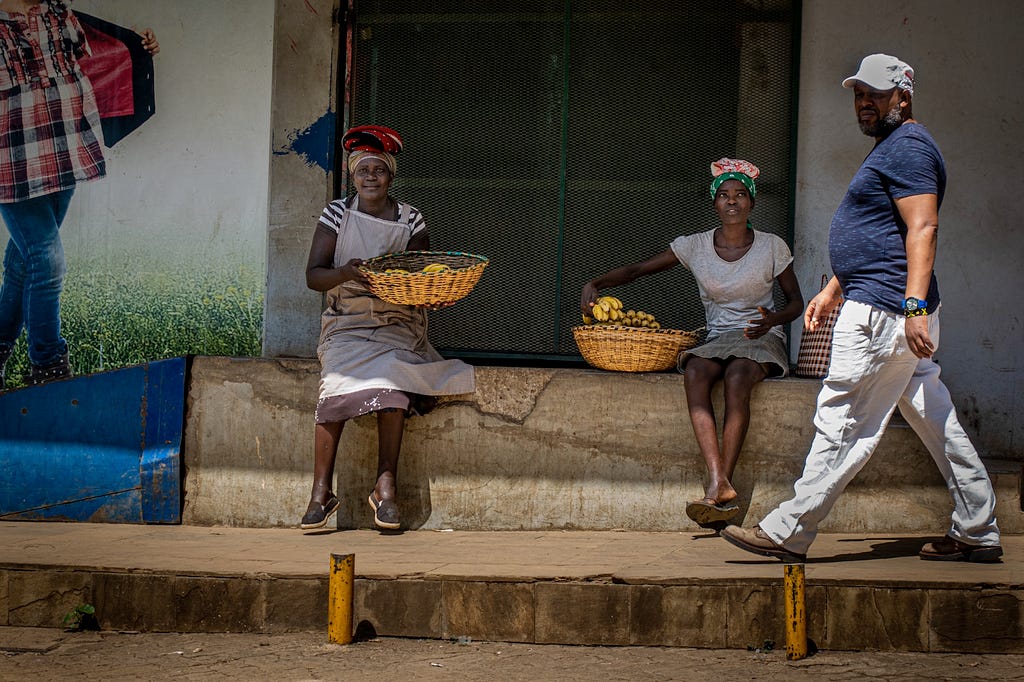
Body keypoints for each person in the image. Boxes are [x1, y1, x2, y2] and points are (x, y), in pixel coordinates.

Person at [721, 54, 1003, 563]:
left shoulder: (910, 146)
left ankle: (790, 529)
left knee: (844, 417)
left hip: (885, 312)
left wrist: (913, 305)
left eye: (874, 93)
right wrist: (834, 288)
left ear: (903, 95)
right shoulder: (893, 148)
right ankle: (977, 528)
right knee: (935, 417)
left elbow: (923, 228)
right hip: (884, 303)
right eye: (858, 94)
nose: (864, 103)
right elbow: (880, 234)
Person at [581, 158, 803, 529]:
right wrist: (596, 284)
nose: (732, 201)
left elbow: (796, 302)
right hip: (716, 338)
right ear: (714, 203)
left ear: (751, 203)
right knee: (696, 370)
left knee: (736, 379)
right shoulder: (695, 246)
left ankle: (718, 485)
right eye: (725, 196)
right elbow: (639, 270)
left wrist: (773, 321)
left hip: (759, 337)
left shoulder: (771, 247)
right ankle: (719, 482)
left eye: (740, 195)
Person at [300, 124, 475, 531]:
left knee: (393, 385)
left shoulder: (410, 218)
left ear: (391, 174)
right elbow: (313, 276)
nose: (371, 177)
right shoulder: (336, 214)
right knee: (334, 385)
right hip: (347, 322)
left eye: (379, 169)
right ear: (353, 175)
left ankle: (386, 487)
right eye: (363, 170)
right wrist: (345, 272)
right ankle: (320, 493)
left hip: (398, 321)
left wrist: (433, 295)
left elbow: (420, 277)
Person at [0, 0, 159, 390]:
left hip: (65, 147)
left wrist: (139, 46)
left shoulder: (56, 10)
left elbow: (98, 53)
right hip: (12, 158)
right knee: (46, 261)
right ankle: (49, 366)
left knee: (25, 263)